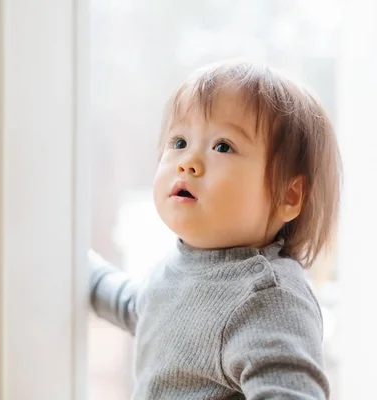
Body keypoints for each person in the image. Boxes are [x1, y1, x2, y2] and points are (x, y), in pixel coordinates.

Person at [89, 60, 341, 399]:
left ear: (288, 195)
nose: (187, 161)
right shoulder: (177, 269)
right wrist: (83, 269)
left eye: (222, 146)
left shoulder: (266, 298)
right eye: (178, 141)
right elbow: (139, 306)